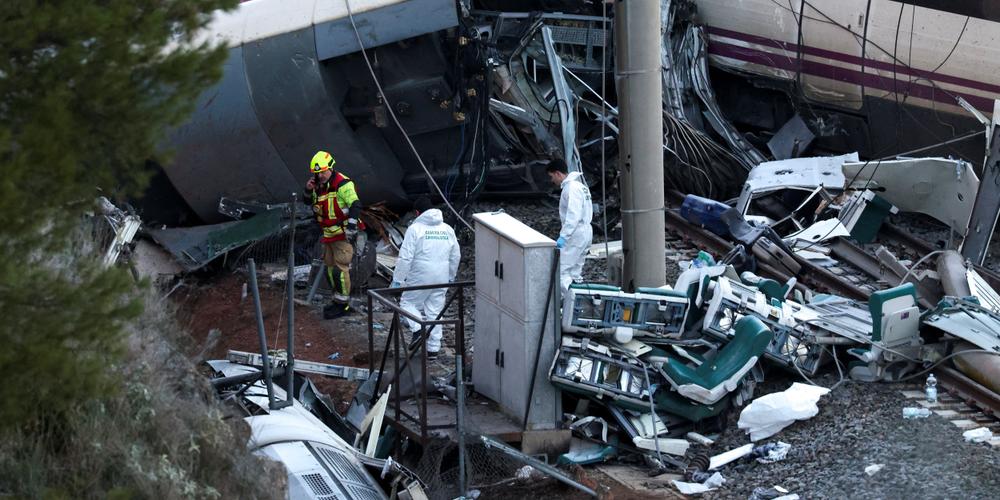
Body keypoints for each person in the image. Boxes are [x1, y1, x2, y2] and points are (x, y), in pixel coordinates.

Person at [391, 196, 460, 360]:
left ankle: (417, 329)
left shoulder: (415, 229)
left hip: (421, 274)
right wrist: (451, 276)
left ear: (417, 213)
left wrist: (398, 280)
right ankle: (433, 350)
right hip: (442, 274)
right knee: (435, 310)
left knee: (407, 303)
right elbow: (455, 255)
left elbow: (405, 257)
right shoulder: (447, 229)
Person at [305, 150, 365, 319]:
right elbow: (310, 203)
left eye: (323, 172)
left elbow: (355, 205)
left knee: (340, 270)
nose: (321, 175)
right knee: (330, 271)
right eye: (317, 173)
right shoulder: (318, 185)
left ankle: (343, 304)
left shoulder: (342, 184)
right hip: (328, 234)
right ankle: (338, 299)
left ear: (331, 168)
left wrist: (352, 227)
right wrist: (308, 190)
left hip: (343, 236)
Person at [546, 158, 593, 296]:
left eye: (551, 176)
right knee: (575, 272)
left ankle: (566, 306)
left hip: (576, 233)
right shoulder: (581, 186)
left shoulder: (571, 189)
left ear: (558, 173)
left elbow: (573, 215)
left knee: (561, 271)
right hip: (585, 231)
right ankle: (579, 304)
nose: (552, 180)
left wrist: (563, 237)